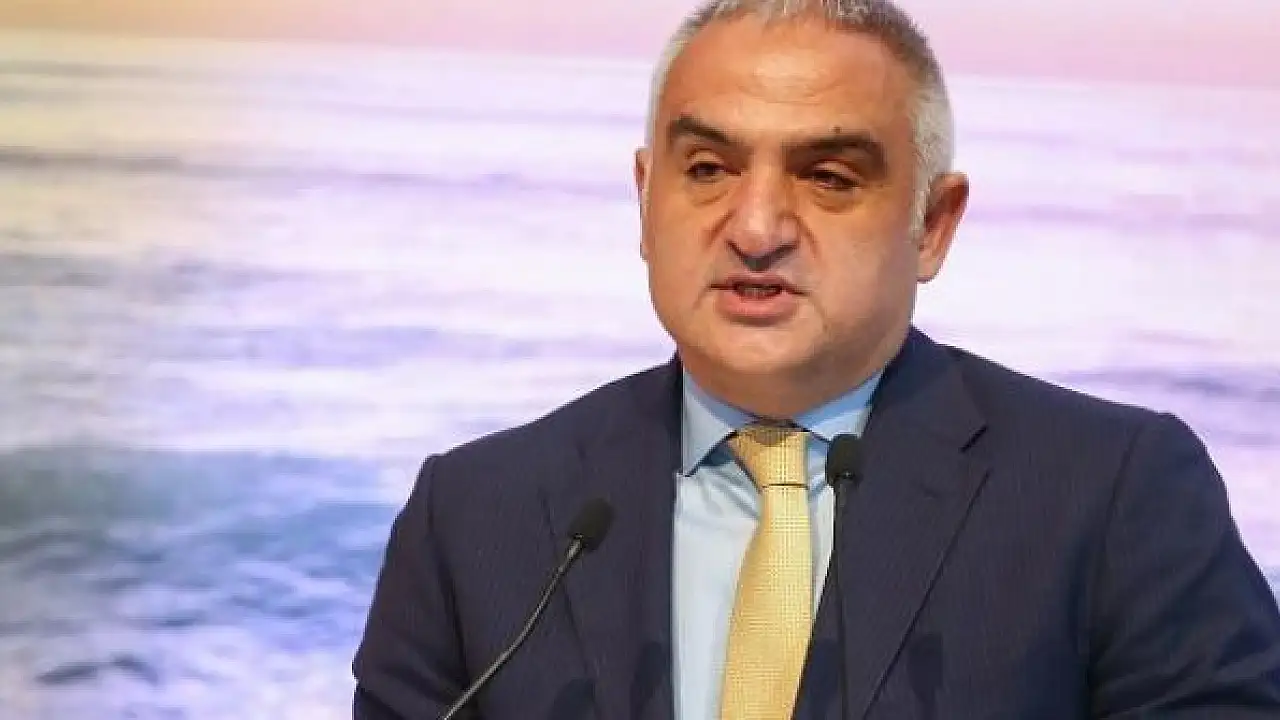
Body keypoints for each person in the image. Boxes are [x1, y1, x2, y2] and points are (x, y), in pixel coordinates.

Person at [351, 0, 1280, 718]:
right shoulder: (473, 516)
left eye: (829, 178)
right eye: (707, 169)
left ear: (932, 224)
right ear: (645, 198)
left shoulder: (1115, 497)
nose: (756, 228)